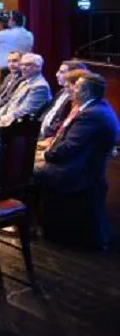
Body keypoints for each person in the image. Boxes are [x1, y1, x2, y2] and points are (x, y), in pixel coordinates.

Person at [35, 72, 119, 245]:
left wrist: (44, 155)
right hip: (82, 165)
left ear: (86, 92)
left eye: (76, 86)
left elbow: (67, 148)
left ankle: (25, 222)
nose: (71, 89)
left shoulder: (91, 114)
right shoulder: (98, 107)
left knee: (26, 169)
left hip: (75, 171)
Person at [0, 53, 52, 128]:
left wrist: (1, 119)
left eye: (27, 65)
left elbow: (25, 111)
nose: (23, 68)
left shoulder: (40, 86)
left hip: (20, 126)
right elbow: (10, 103)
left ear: (38, 67)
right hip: (8, 120)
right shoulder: (24, 82)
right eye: (21, 64)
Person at [39, 60, 87, 141]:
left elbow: (62, 123)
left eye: (61, 72)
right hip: (41, 133)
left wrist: (44, 136)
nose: (57, 74)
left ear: (72, 75)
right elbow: (48, 112)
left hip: (51, 138)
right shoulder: (61, 91)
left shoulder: (75, 99)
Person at [0, 10, 34, 80]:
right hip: (23, 69)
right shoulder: (29, 35)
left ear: (13, 21)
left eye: (9, 19)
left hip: (9, 70)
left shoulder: (8, 34)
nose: (8, 21)